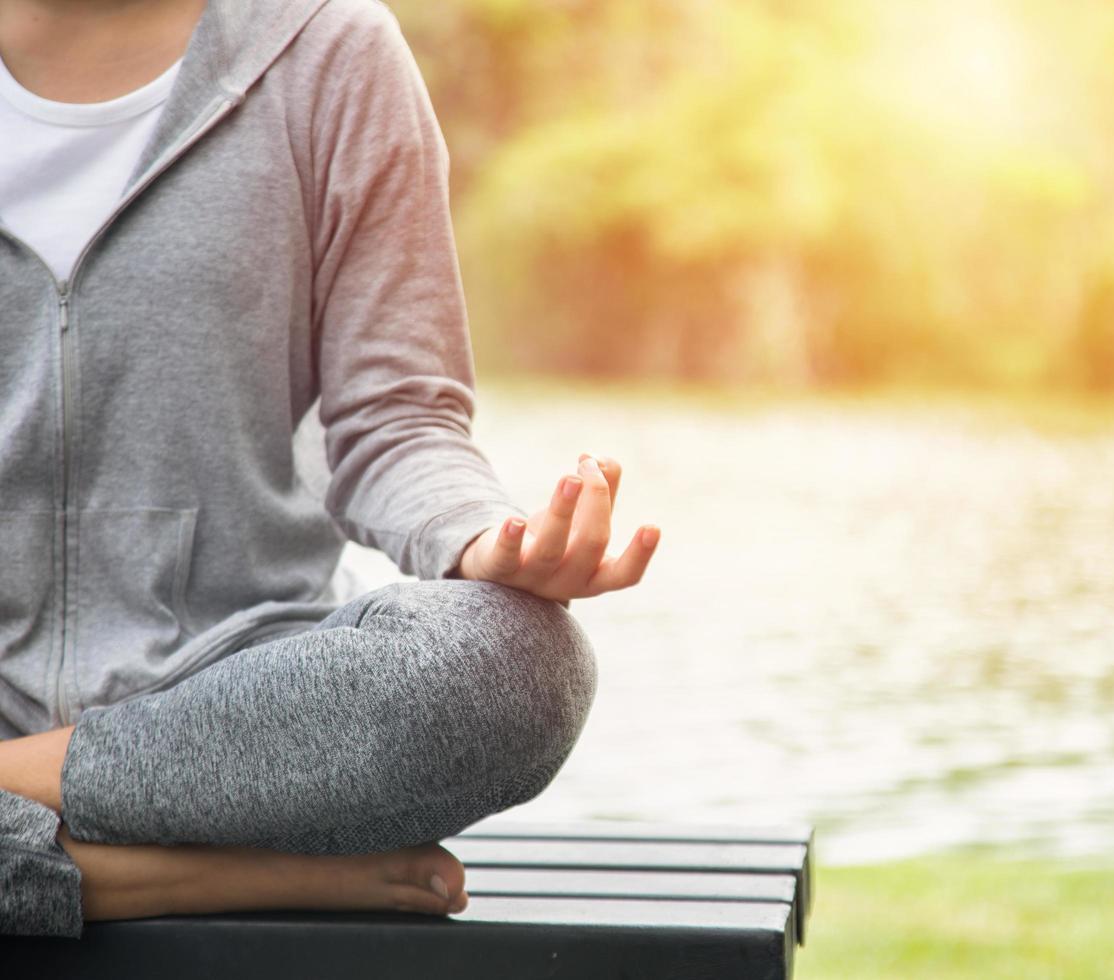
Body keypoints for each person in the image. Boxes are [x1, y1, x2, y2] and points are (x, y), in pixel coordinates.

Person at [0, 0, 660, 938]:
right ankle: (196, 876)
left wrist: (478, 536)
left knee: (515, 668)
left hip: (233, 685)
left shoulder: (330, 48)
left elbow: (396, 417)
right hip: (214, 784)